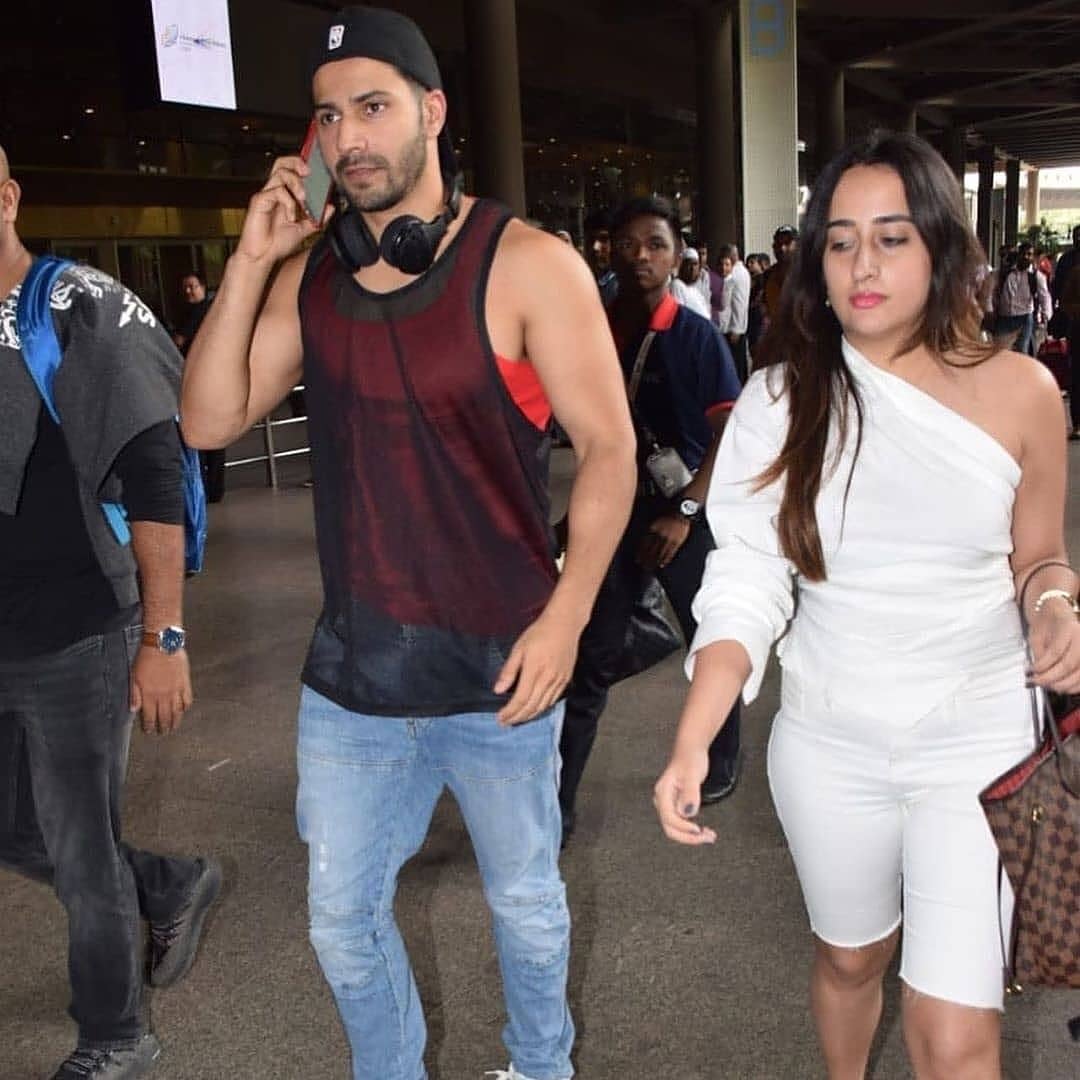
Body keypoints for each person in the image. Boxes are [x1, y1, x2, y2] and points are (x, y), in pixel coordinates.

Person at [179, 7, 636, 1080]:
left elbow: (610, 450)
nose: (350, 137)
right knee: (340, 924)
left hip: (501, 669)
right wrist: (250, 263)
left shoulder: (528, 264)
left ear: (431, 111)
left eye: (374, 107)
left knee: (524, 905)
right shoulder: (318, 279)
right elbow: (205, 422)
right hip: (354, 678)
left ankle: (541, 1066)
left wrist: (567, 617)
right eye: (330, 117)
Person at [654, 131, 1080, 1079]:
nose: (862, 265)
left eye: (891, 238)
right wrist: (696, 732)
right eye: (840, 241)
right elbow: (749, 580)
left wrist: (1055, 604)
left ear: (941, 248)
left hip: (976, 734)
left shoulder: (1023, 392)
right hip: (829, 735)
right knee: (851, 958)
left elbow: (1041, 554)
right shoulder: (780, 398)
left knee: (957, 1028)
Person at [0, 146, 221, 1080]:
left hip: (80, 628)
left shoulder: (80, 307)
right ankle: (171, 883)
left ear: (7, 195)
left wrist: (162, 636)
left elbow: (157, 470)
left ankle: (114, 1034)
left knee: (81, 848)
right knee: (22, 830)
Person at [559, 195, 743, 846]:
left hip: (680, 509)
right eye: (628, 243)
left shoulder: (695, 336)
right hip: (608, 509)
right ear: (607, 247)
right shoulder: (588, 327)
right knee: (589, 655)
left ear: (677, 255)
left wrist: (687, 510)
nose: (641, 256)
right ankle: (560, 799)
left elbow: (731, 431)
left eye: (655, 245)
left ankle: (722, 758)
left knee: (710, 635)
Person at [172, 272, 225, 502]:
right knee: (213, 438)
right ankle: (213, 488)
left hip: (200, 383)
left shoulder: (199, 312)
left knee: (200, 438)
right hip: (213, 380)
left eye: (192, 286)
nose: (188, 291)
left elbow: (179, 341)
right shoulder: (211, 310)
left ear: (203, 287)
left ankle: (207, 488)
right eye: (185, 287)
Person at [990, 241, 1051, 356]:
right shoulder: (1005, 272)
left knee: (1022, 351)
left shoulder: (1036, 276)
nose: (1025, 257)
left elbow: (1044, 295)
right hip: (1005, 317)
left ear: (1033, 257)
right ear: (1018, 254)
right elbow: (991, 288)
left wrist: (1046, 313)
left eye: (1029, 254)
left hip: (1024, 317)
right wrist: (990, 309)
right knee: (999, 353)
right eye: (1023, 253)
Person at [584, 207, 619, 307]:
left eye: (604, 239)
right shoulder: (582, 281)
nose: (595, 247)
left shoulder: (624, 289)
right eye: (591, 240)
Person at [670, 246, 712, 319]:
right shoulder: (677, 285)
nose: (692, 268)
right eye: (689, 264)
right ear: (682, 266)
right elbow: (680, 317)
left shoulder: (696, 291)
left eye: (695, 264)